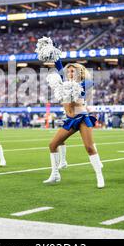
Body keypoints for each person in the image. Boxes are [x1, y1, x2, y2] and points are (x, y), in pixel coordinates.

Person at [39, 41, 104, 188]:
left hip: (82, 119)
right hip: (69, 120)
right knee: (52, 144)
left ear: (79, 73)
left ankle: (99, 176)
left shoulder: (84, 83)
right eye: (68, 71)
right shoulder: (63, 82)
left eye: (73, 71)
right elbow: (58, 63)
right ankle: (55, 174)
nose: (69, 73)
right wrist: (52, 48)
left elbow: (89, 84)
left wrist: (75, 86)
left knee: (89, 147)